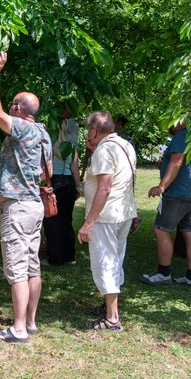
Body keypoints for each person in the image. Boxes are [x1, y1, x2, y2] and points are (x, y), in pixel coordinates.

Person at [0, 51, 52, 343]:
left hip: (18, 209)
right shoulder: (43, 133)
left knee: (17, 270)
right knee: (32, 265)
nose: (8, 107)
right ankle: (31, 321)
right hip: (34, 206)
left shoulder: (23, 128)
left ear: (19, 108)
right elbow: (45, 170)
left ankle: (18, 329)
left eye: (12, 103)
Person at [77, 111, 137, 332]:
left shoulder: (104, 150)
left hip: (106, 216)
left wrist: (89, 223)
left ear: (95, 130)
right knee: (115, 259)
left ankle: (112, 318)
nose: (87, 132)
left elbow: (105, 187)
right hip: (123, 213)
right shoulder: (125, 145)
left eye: (88, 128)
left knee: (104, 262)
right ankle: (108, 307)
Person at [142, 122, 191, 287]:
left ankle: (163, 273)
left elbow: (177, 162)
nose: (168, 124)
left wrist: (162, 186)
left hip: (178, 194)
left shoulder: (181, 136)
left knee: (161, 230)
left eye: (172, 120)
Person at [42, 111, 81, 265]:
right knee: (66, 220)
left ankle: (55, 258)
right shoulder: (70, 145)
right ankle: (70, 256)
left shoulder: (48, 145)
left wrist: (43, 186)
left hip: (53, 183)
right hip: (69, 183)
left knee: (52, 222)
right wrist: (78, 187)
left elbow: (44, 168)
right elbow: (75, 168)